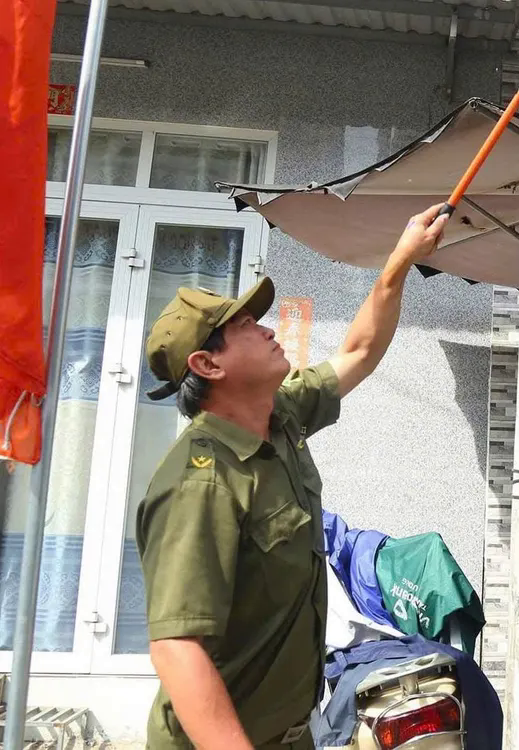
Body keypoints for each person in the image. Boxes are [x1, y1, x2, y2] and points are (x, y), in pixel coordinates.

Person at [135, 204, 449, 749]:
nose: (266, 328)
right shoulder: (201, 480)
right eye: (243, 327)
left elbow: (359, 350)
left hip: (292, 734)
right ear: (208, 367)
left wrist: (400, 261)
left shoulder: (277, 416)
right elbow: (177, 648)